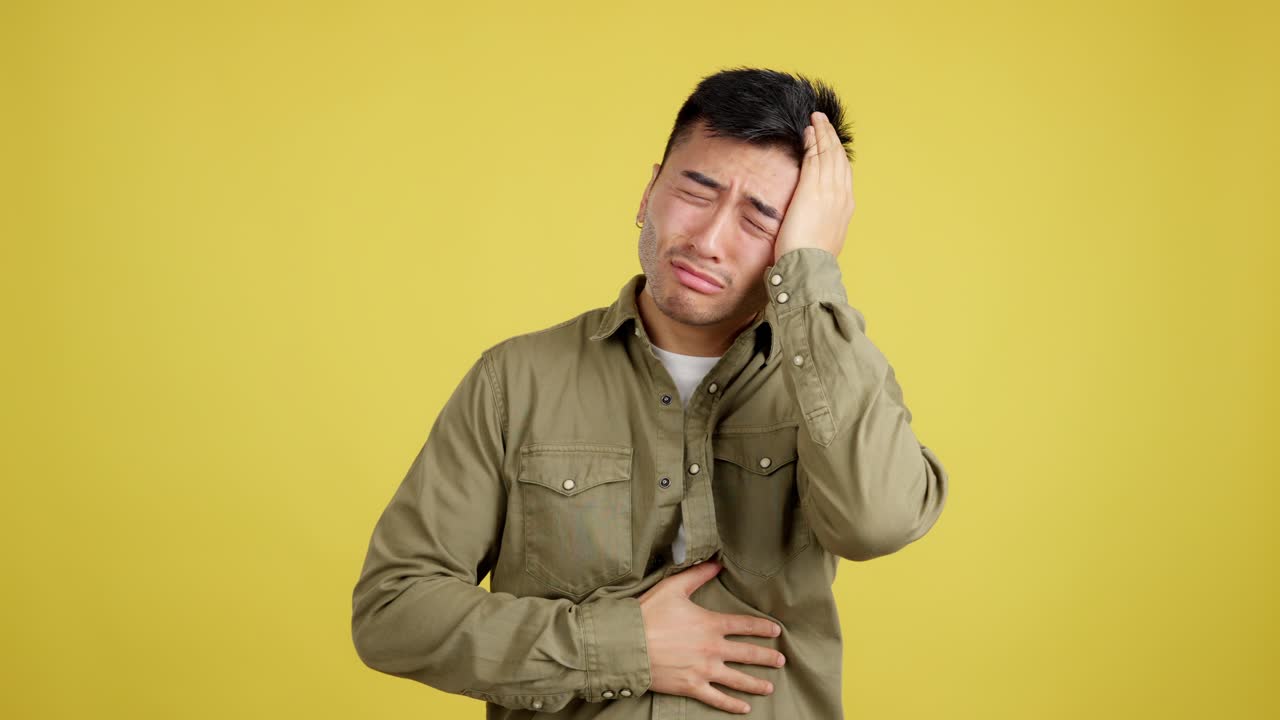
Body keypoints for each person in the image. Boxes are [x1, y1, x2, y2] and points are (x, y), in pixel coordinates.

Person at [350, 66, 949, 718]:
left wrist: (812, 274)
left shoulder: (835, 382)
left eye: (760, 221)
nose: (708, 241)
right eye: (696, 191)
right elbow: (393, 611)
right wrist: (618, 645)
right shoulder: (514, 381)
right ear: (648, 191)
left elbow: (878, 522)